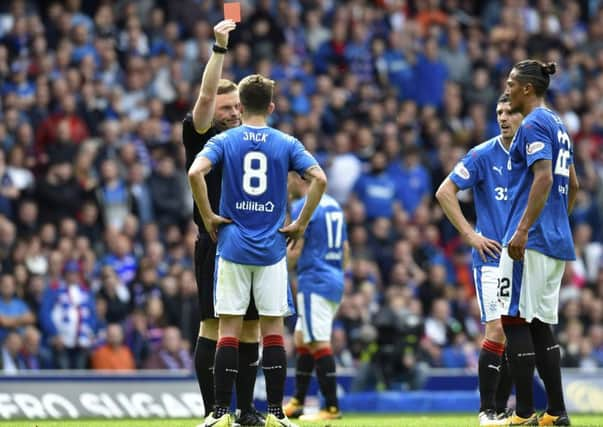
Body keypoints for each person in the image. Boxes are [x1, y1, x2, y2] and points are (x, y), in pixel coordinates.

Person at [189, 73, 327, 427]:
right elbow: (320, 179)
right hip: (271, 248)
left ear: (241, 105)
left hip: (232, 245)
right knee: (272, 332)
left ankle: (219, 414)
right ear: (271, 106)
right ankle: (276, 413)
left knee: (228, 330)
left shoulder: (227, 140)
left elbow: (195, 173)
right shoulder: (286, 142)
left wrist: (208, 216)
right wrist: (300, 223)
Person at [182, 19, 263, 426]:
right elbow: (203, 96)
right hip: (215, 242)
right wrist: (219, 48)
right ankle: (214, 411)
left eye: (236, 107)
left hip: (252, 244)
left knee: (250, 331)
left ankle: (246, 410)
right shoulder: (200, 135)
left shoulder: (251, 138)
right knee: (212, 326)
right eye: (225, 107)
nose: (232, 113)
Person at [500, 60, 578, 426]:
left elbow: (543, 178)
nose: (508, 90)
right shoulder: (559, 125)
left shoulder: (531, 124)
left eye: (512, 84)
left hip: (530, 242)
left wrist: (524, 228)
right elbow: (572, 185)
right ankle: (556, 413)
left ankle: (524, 414)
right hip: (557, 241)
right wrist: (556, 221)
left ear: (527, 88)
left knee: (513, 319)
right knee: (539, 325)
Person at [436, 94, 521, 425]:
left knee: (517, 331)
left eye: (509, 112)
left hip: (522, 257)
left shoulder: (533, 156)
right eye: (498, 112)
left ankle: (500, 409)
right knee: (497, 327)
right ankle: (486, 411)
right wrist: (470, 235)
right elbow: (445, 191)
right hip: (491, 257)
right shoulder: (483, 154)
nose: (502, 117)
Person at [283, 173, 349, 421]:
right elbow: (345, 249)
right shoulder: (333, 204)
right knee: (302, 337)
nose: (287, 185)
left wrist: (275, 265)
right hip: (334, 278)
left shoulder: (304, 206)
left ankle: (331, 407)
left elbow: (296, 250)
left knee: (318, 342)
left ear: (299, 179)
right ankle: (298, 402)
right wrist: (338, 275)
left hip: (314, 280)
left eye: (288, 179)